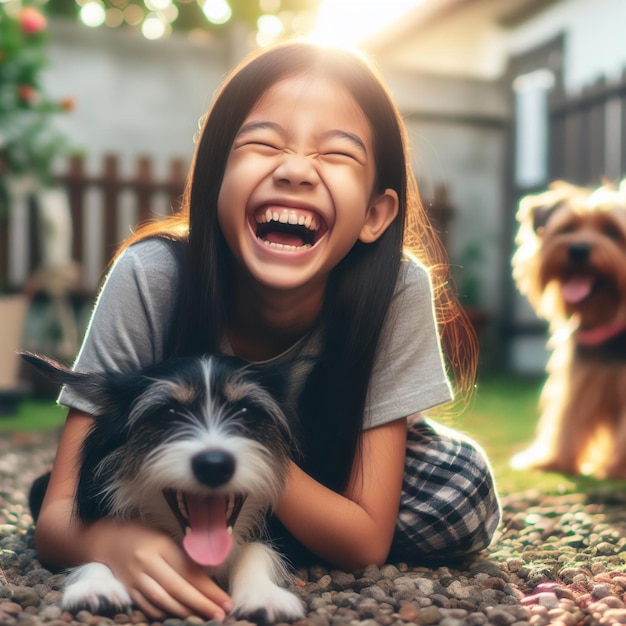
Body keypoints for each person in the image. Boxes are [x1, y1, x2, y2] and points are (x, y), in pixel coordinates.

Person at [33, 41, 501, 621]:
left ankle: (253, 526)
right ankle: (210, 520)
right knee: (95, 483)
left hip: (331, 461)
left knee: (461, 491)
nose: (297, 169)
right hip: (174, 466)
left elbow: (365, 543)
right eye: (263, 143)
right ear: (213, 182)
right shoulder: (152, 275)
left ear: (377, 215)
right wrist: (107, 543)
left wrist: (253, 453)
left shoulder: (397, 287)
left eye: (337, 153)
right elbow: (57, 517)